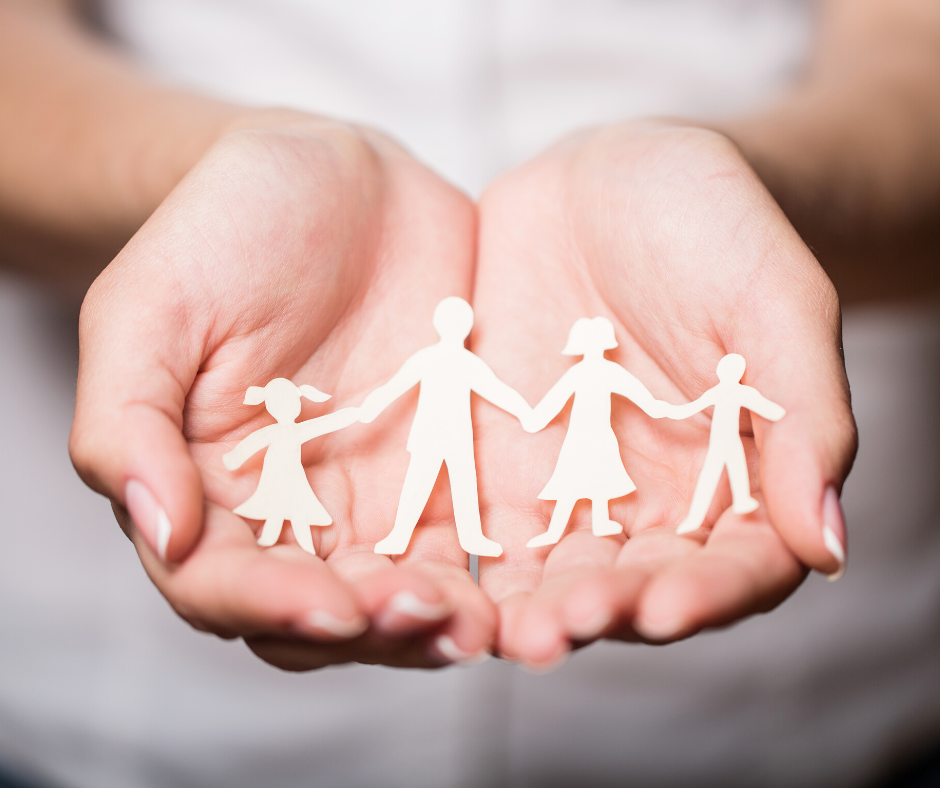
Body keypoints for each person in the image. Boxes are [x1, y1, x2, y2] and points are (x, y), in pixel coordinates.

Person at [1, 1, 939, 786]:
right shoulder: (443, 365)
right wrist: (201, 190)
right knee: (428, 490)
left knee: (474, 485)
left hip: (815, 720)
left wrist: (752, 196)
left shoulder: (545, 366)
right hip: (122, 728)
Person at [360, 296, 531, 558]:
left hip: (456, 438)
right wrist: (373, 405)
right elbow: (396, 386)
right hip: (431, 436)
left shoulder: (460, 361)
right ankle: (399, 535)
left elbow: (496, 390)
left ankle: (471, 537)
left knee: (461, 486)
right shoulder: (434, 359)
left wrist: (524, 412)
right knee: (419, 484)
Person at [523, 316, 668, 548]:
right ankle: (555, 531)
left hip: (597, 435)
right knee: (572, 481)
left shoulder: (599, 371)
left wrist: (659, 407)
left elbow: (639, 395)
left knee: (599, 476)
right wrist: (535, 418)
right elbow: (556, 398)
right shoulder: (591, 372)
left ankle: (597, 522)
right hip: (583, 435)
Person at [222, 379, 360, 555]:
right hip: (275, 476)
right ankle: (270, 538)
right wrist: (235, 457)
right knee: (276, 506)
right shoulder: (276, 431)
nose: (288, 407)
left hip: (294, 477)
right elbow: (252, 443)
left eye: (292, 402)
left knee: (297, 510)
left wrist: (351, 415)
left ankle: (306, 546)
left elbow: (324, 424)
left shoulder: (298, 430)